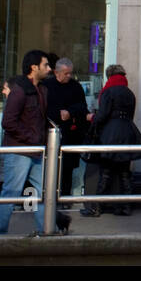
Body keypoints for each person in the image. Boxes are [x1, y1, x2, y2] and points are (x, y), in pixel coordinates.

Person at [0, 49, 70, 236]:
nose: (49, 69)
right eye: (45, 65)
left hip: (36, 150)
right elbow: (8, 122)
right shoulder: (20, 91)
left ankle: (46, 230)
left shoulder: (42, 89)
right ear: (34, 67)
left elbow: (39, 119)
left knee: (43, 192)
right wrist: (33, 137)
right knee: (11, 193)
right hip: (20, 150)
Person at [81, 64, 141, 217]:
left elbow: (102, 116)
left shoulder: (109, 91)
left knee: (106, 171)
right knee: (124, 172)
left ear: (109, 76)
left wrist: (92, 118)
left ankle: (95, 207)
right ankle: (125, 207)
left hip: (111, 134)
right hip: (128, 133)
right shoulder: (129, 93)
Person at [43, 57, 90, 209]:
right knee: (49, 166)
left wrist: (70, 112)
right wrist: (59, 113)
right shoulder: (46, 86)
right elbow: (42, 108)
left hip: (70, 133)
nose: (69, 76)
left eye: (70, 73)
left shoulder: (75, 86)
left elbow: (83, 106)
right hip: (49, 132)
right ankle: (46, 197)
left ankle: (65, 198)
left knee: (67, 167)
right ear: (56, 72)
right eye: (65, 73)